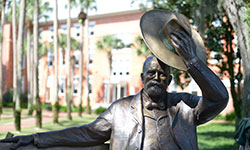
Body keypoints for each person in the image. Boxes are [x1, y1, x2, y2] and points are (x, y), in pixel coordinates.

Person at [0, 10, 228, 150]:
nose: (156, 78)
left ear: (169, 81)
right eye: (151, 74)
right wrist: (34, 139)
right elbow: (85, 133)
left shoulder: (184, 107)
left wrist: (191, 61)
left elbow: (219, 98)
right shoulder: (120, 110)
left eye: (162, 75)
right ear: (141, 78)